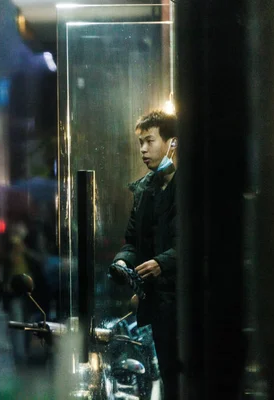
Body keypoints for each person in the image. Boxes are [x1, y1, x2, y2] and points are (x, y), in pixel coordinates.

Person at [109, 110, 179, 400]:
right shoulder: (144, 190)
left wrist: (163, 263)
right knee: (167, 374)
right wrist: (123, 260)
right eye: (140, 142)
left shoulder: (190, 187)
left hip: (187, 301)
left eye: (150, 141)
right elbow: (132, 238)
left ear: (171, 143)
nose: (143, 149)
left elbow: (199, 242)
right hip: (159, 304)